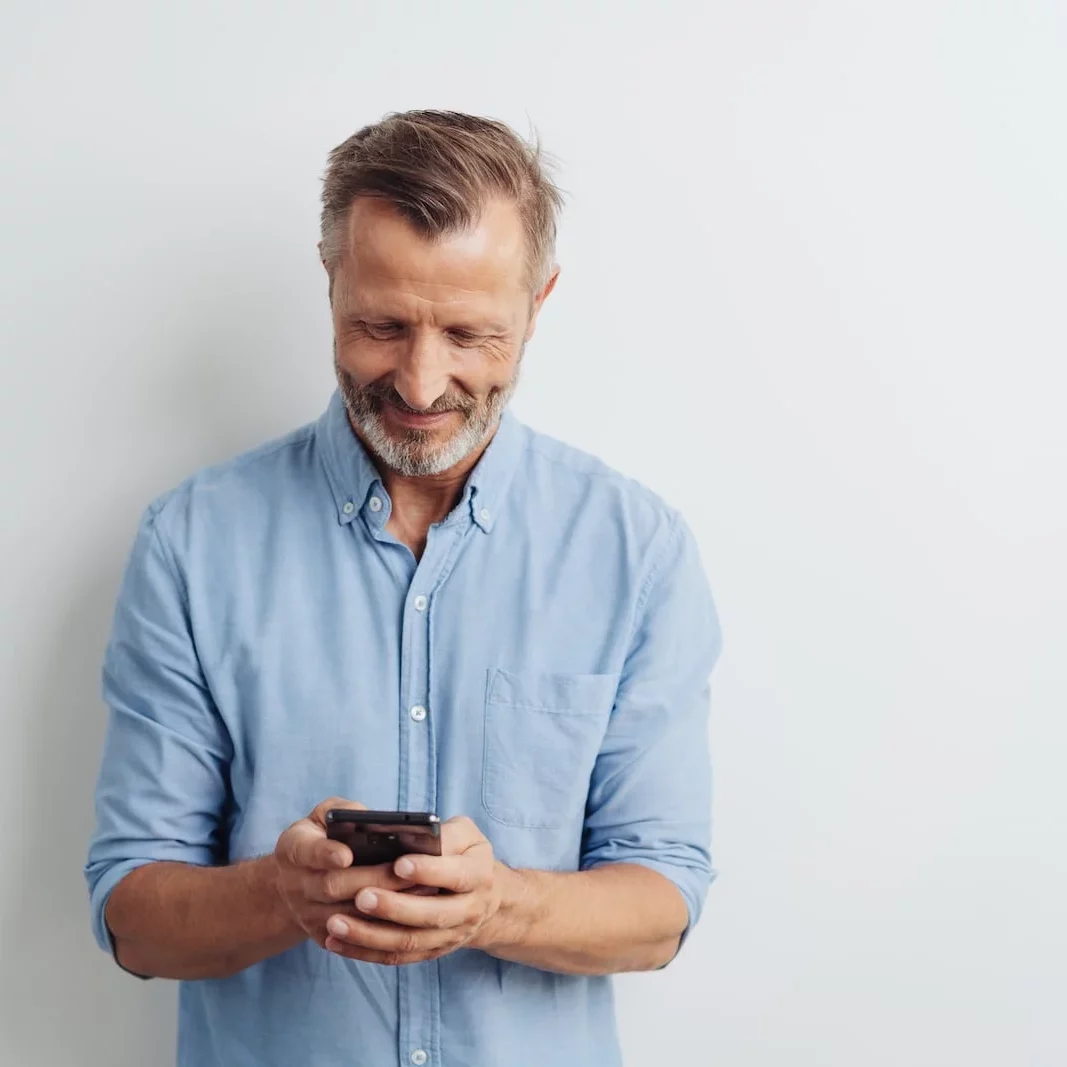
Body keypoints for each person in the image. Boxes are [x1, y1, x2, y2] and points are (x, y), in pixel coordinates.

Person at [85, 109, 723, 1067]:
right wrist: (279, 894)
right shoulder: (192, 543)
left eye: (470, 333)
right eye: (381, 325)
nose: (422, 384)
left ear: (539, 301)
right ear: (330, 280)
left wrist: (500, 903)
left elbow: (662, 908)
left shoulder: (635, 551)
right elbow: (133, 915)